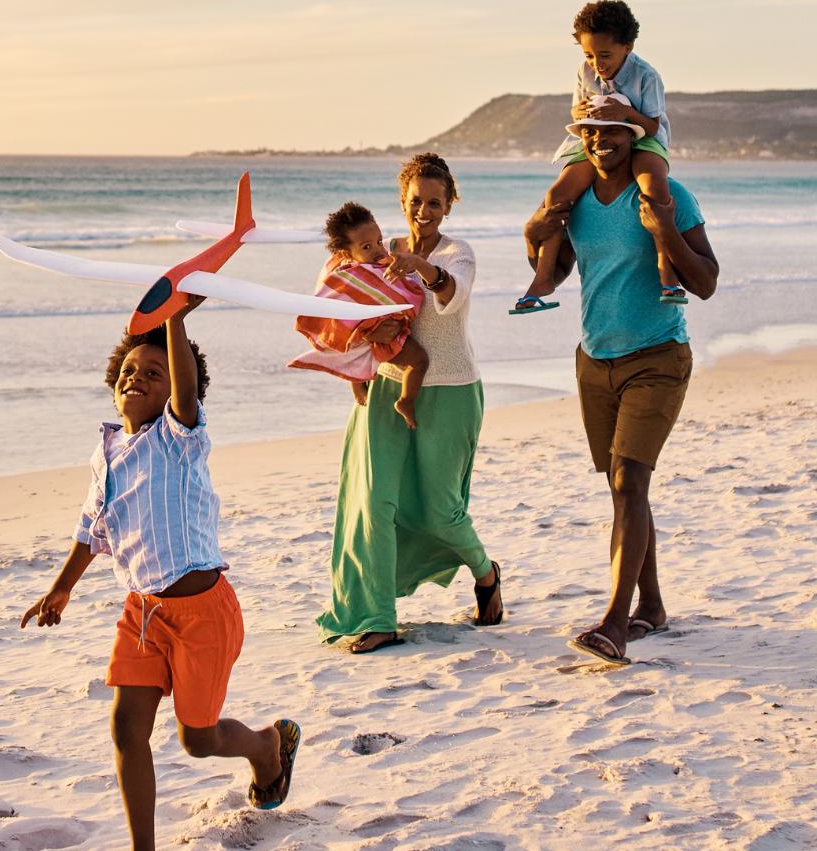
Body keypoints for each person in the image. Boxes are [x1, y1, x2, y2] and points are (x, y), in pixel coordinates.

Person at [20, 298, 300, 851]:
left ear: (179, 389)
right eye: (129, 370)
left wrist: (174, 319)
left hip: (203, 614)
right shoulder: (108, 453)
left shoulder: (179, 439)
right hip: (141, 613)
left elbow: (184, 391)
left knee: (196, 740)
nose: (137, 378)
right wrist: (62, 586)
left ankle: (266, 746)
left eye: (155, 372)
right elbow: (93, 525)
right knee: (126, 728)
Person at [523, 109, 718, 665]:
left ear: (634, 136)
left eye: (611, 131)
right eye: (588, 132)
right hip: (595, 360)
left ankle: (616, 622)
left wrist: (666, 237)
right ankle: (651, 606)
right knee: (622, 485)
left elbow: (705, 281)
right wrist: (535, 236)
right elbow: (556, 272)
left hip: (658, 356)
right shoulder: (577, 201)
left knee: (631, 480)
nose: (598, 140)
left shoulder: (667, 193)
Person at [316, 153, 503, 654]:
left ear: (449, 204)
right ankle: (377, 618)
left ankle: (486, 575)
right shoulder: (375, 248)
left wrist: (420, 266)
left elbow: (451, 291)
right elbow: (339, 293)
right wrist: (362, 331)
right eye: (416, 200)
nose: (424, 210)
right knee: (374, 505)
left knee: (441, 513)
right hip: (385, 387)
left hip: (451, 390)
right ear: (402, 200)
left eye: (435, 202)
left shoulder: (458, 252)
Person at [512, 0, 686, 315]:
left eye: (604, 55)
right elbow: (578, 113)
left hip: (644, 137)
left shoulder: (647, 76)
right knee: (556, 195)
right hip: (598, 137)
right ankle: (542, 281)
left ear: (628, 46)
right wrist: (578, 112)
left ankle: (668, 274)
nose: (597, 64)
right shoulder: (584, 71)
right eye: (589, 55)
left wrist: (626, 113)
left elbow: (650, 126)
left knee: (653, 188)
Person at [288, 201, 429, 428]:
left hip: (385, 329)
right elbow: (330, 313)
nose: (377, 249)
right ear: (347, 253)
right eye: (366, 247)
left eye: (378, 241)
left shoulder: (379, 263)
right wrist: (368, 332)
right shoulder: (344, 276)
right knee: (419, 360)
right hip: (373, 337)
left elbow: (389, 289)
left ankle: (358, 382)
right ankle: (406, 401)